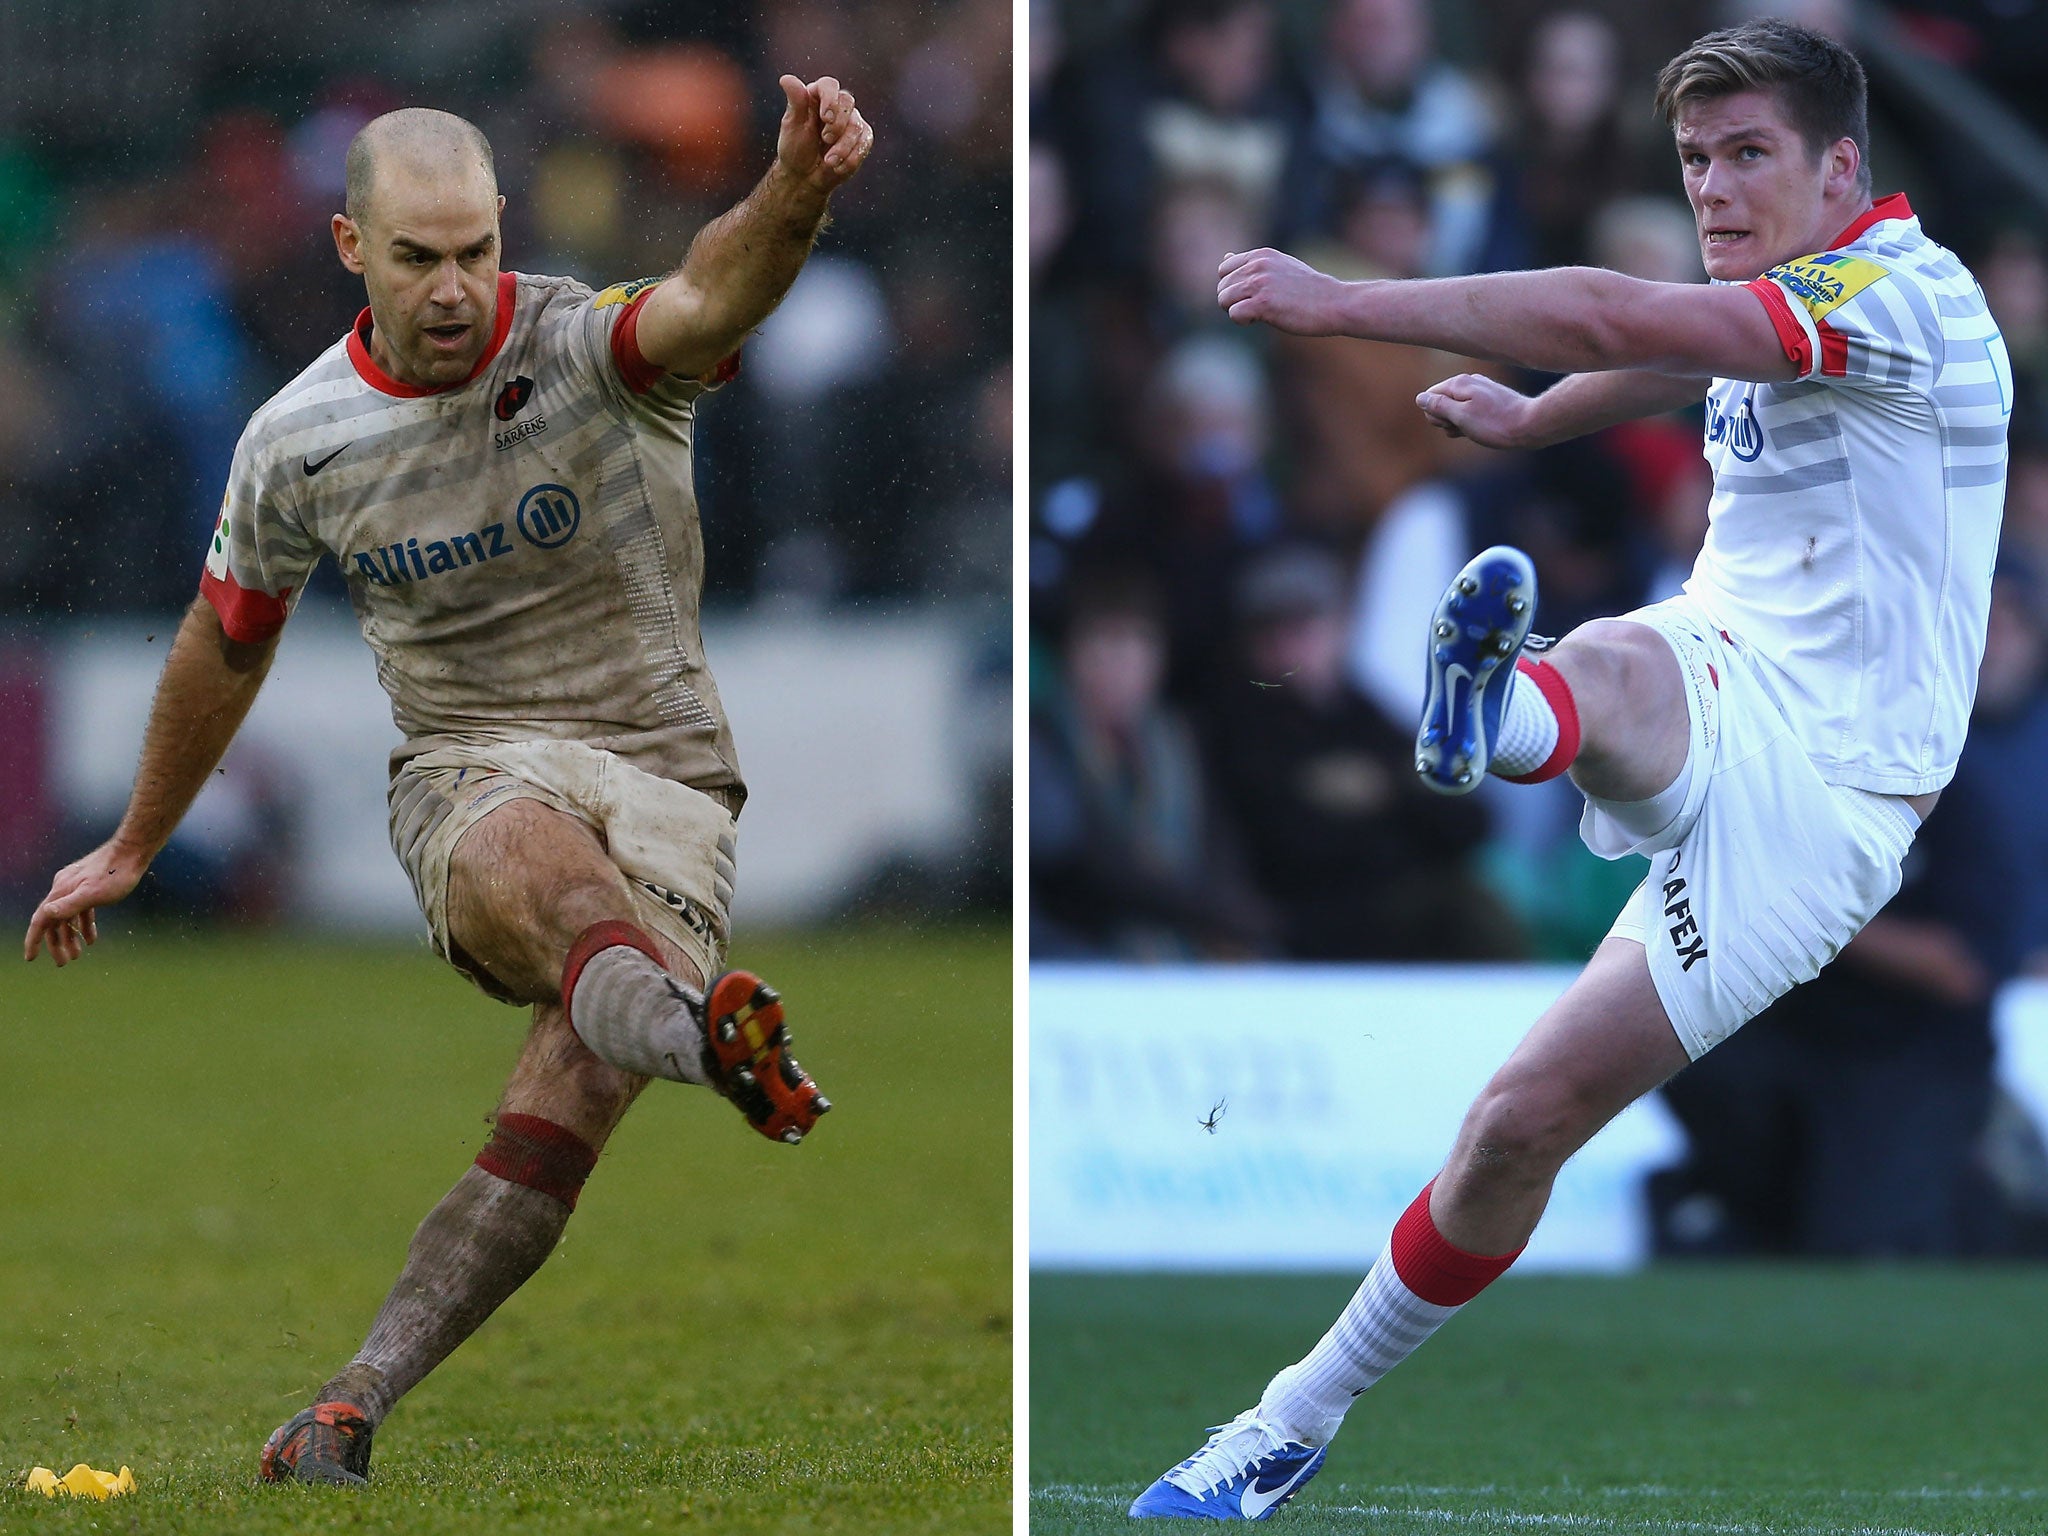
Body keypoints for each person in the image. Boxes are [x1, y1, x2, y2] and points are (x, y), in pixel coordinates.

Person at [1133, 19, 2008, 1519]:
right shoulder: (1805, 289)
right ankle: (1508, 707)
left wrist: (1351, 304)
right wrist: (1540, 416)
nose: (1715, 189)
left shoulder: (1903, 299)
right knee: (1615, 661)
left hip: (1833, 808)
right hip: (1722, 666)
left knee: (1517, 1125)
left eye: (1749, 157)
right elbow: (1682, 355)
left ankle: (1303, 1408)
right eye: (1694, 160)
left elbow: (1623, 316)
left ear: (1842, 165)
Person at [23, 77, 873, 1486]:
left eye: (477, 248)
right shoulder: (296, 441)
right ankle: (699, 1035)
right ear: (353, 249)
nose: (457, 286)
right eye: (420, 256)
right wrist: (133, 842)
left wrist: (798, 190)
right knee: (540, 863)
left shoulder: (585, 344)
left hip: (669, 780)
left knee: (560, 1119)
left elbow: (713, 299)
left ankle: (346, 1406)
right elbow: (225, 642)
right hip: (470, 770)